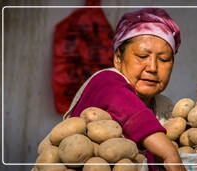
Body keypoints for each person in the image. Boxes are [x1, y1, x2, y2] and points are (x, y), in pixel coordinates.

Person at [64, 8, 186, 171]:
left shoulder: (165, 109)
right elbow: (127, 108)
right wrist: (169, 153)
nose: (153, 67)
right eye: (142, 56)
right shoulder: (106, 81)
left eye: (164, 59)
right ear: (118, 59)